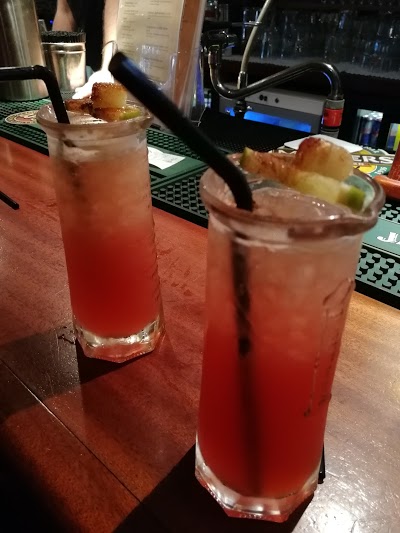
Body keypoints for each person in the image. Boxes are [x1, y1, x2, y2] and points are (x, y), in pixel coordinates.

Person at [53, 0, 119, 97]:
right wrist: (57, 69)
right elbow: (65, 10)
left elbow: (116, 6)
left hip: (113, 58)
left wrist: (107, 70)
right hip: (87, 61)